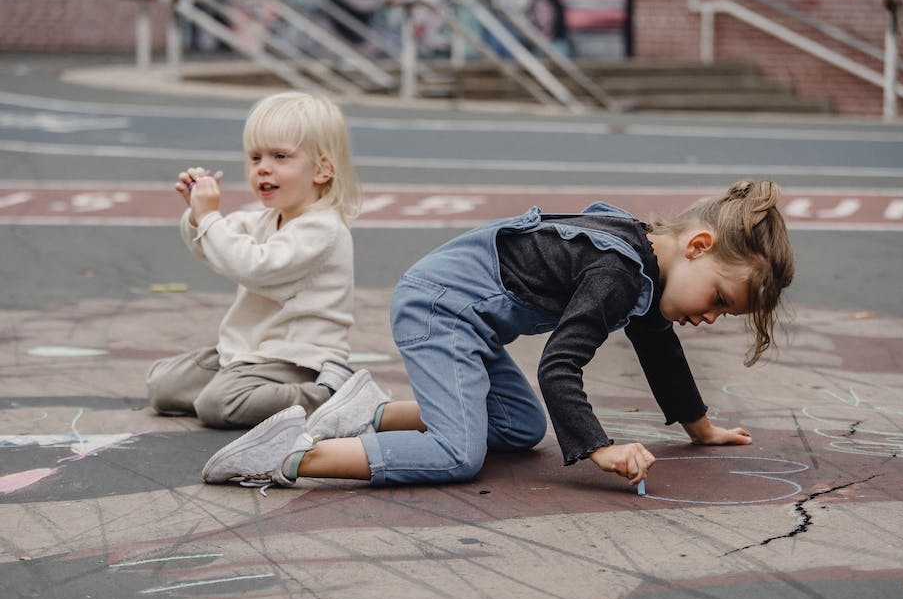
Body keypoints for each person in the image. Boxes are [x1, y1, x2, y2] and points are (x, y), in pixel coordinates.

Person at [201, 179, 794, 489]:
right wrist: (600, 447)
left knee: (521, 428)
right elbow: (559, 366)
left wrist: (701, 429)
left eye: (726, 313)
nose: (711, 316)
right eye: (719, 299)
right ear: (696, 246)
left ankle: (366, 412)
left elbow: (658, 346)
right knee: (458, 454)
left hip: (467, 320)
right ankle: (289, 457)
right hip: (440, 311)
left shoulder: (644, 257)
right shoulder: (618, 270)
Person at [146, 92, 361, 429]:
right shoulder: (267, 217)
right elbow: (215, 246)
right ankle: (240, 387)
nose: (263, 168)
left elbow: (253, 266)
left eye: (280, 156)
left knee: (218, 405)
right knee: (163, 386)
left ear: (323, 169)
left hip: (295, 357)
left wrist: (209, 219)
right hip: (246, 352)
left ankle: (330, 393)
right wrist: (196, 215)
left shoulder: (321, 228)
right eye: (255, 157)